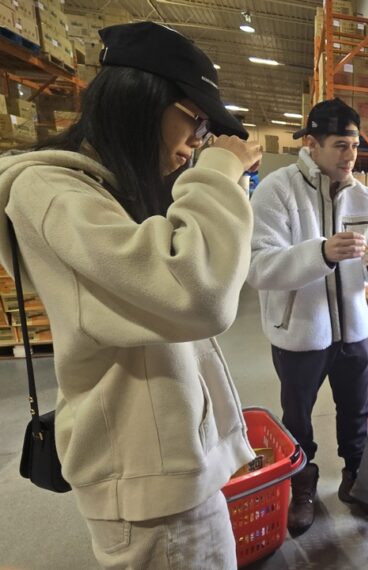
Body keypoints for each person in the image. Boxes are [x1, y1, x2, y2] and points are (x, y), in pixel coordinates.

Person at [0, 22, 262, 568]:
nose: (198, 142)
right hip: (148, 485)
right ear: (141, 100)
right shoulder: (52, 193)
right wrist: (220, 169)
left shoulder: (109, 188)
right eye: (196, 121)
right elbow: (200, 292)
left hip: (168, 465)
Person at [247, 98, 368, 535]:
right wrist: (321, 253)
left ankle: (356, 478)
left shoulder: (363, 194)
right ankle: (302, 485)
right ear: (311, 144)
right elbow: (258, 267)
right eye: (339, 146)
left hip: (354, 330)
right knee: (298, 417)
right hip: (298, 335)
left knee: (357, 411)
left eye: (354, 146)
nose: (350, 156)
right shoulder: (277, 190)